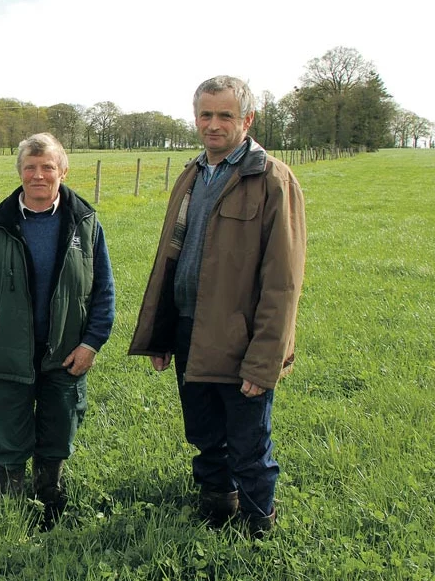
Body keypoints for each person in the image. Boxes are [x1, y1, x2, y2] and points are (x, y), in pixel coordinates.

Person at [127, 75, 306, 537]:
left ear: (247, 119)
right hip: (189, 328)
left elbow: (283, 282)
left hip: (240, 337)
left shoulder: (271, 179)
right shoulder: (191, 175)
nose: (213, 124)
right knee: (205, 433)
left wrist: (264, 358)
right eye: (205, 114)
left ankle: (256, 525)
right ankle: (215, 506)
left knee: (247, 442)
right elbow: (172, 259)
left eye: (225, 115)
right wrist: (162, 333)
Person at [0, 132, 115, 529]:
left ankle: (50, 490)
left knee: (60, 424)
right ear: (19, 171)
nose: (38, 175)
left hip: (66, 349)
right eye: (30, 167)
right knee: (8, 426)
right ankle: (9, 496)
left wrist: (91, 343)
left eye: (47, 167)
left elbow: (103, 289)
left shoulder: (85, 224)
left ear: (62, 171)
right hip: (10, 350)